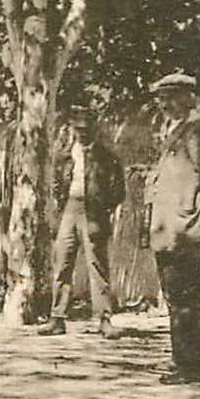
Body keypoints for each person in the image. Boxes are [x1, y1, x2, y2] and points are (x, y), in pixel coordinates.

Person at [142, 73, 200, 384]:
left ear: (188, 97)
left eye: (170, 97)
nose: (164, 104)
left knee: (185, 293)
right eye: (161, 98)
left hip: (183, 224)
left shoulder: (199, 130)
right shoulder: (175, 128)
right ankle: (185, 359)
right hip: (168, 224)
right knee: (176, 294)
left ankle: (191, 365)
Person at [38, 106, 127, 338]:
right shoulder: (65, 155)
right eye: (79, 129)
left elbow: (118, 190)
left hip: (94, 212)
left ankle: (104, 319)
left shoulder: (106, 156)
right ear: (73, 129)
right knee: (63, 262)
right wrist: (61, 206)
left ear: (95, 128)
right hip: (70, 209)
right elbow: (56, 183)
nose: (83, 133)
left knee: (97, 265)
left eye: (87, 128)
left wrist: (104, 209)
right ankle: (57, 317)